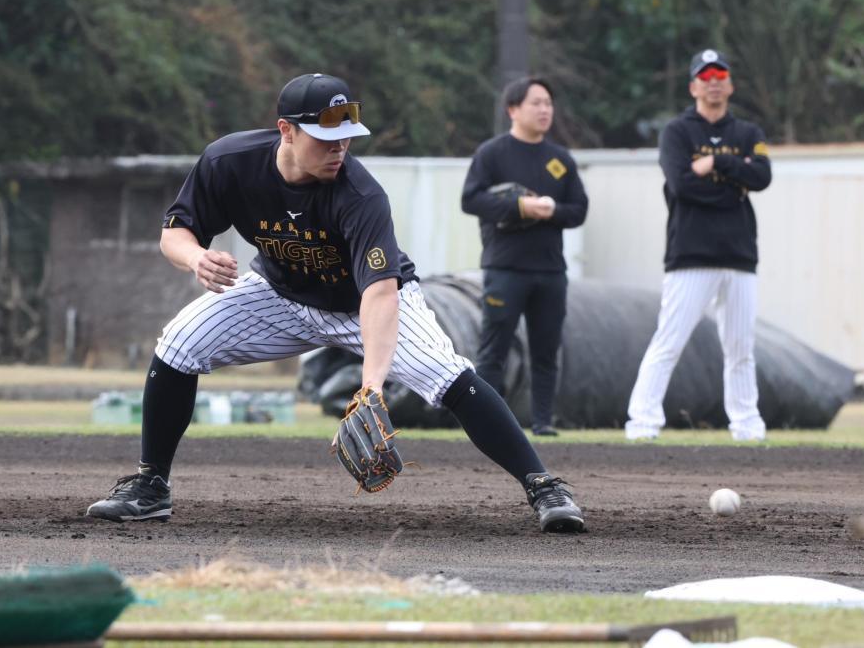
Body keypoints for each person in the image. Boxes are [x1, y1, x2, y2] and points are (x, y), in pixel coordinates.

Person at [85, 72, 584, 534]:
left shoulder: (360, 193)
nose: (339, 147)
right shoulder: (229, 162)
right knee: (179, 343)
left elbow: (380, 293)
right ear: (286, 131)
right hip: (279, 293)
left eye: (347, 135)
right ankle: (151, 486)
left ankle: (544, 486)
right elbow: (175, 232)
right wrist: (195, 258)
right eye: (326, 137)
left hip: (362, 304)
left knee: (446, 374)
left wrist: (371, 386)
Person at [624, 49, 772, 442]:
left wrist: (717, 165)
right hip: (690, 255)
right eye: (705, 76)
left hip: (739, 256)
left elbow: (761, 177)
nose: (714, 82)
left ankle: (746, 425)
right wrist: (730, 185)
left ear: (730, 84)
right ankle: (642, 422)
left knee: (741, 346)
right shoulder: (677, 132)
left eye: (720, 74)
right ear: (693, 85)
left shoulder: (748, 134)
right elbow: (682, 185)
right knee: (669, 341)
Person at [461, 77, 588, 437]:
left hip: (549, 269)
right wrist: (519, 206)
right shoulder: (493, 154)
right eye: (536, 103)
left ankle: (544, 421)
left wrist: (550, 211)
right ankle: (483, 421)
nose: (545, 109)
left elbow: (578, 210)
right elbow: (471, 200)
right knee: (494, 348)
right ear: (513, 109)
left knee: (546, 348)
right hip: (505, 267)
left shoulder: (559, 160)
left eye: (548, 103)